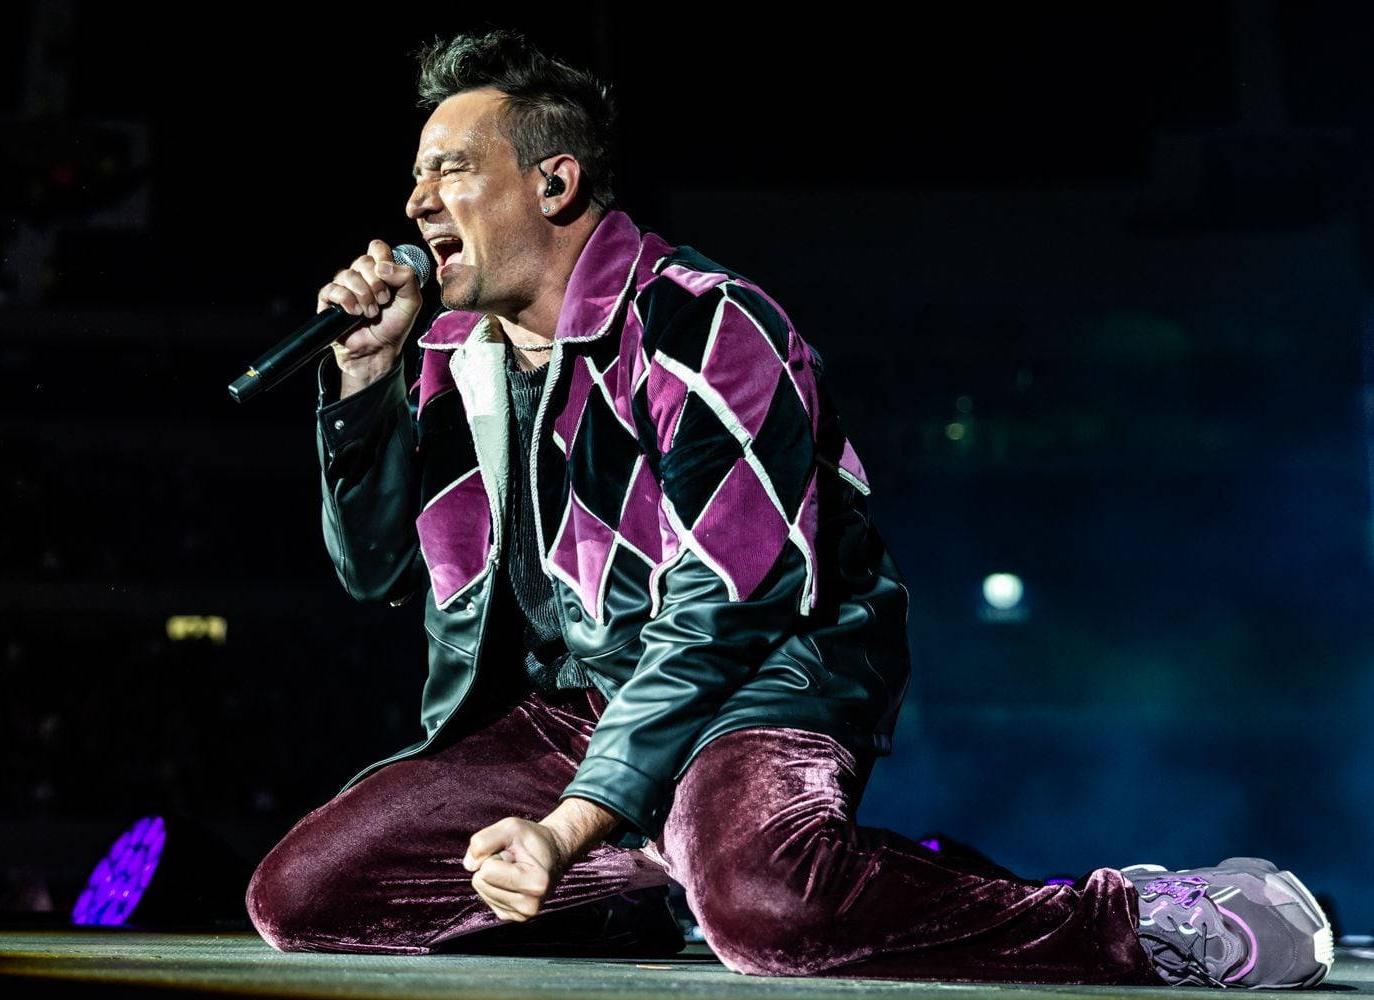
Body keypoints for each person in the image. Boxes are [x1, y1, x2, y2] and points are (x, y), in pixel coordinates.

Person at [244, 30, 1333, 988]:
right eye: (415, 174)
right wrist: (362, 382)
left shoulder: (706, 327)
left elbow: (725, 607)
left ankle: (1142, 920)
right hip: (580, 705)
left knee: (764, 907)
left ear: (554, 182)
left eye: (448, 169)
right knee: (304, 899)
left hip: (761, 675)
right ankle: (640, 886)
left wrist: (572, 824)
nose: (414, 203)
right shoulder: (452, 355)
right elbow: (376, 569)